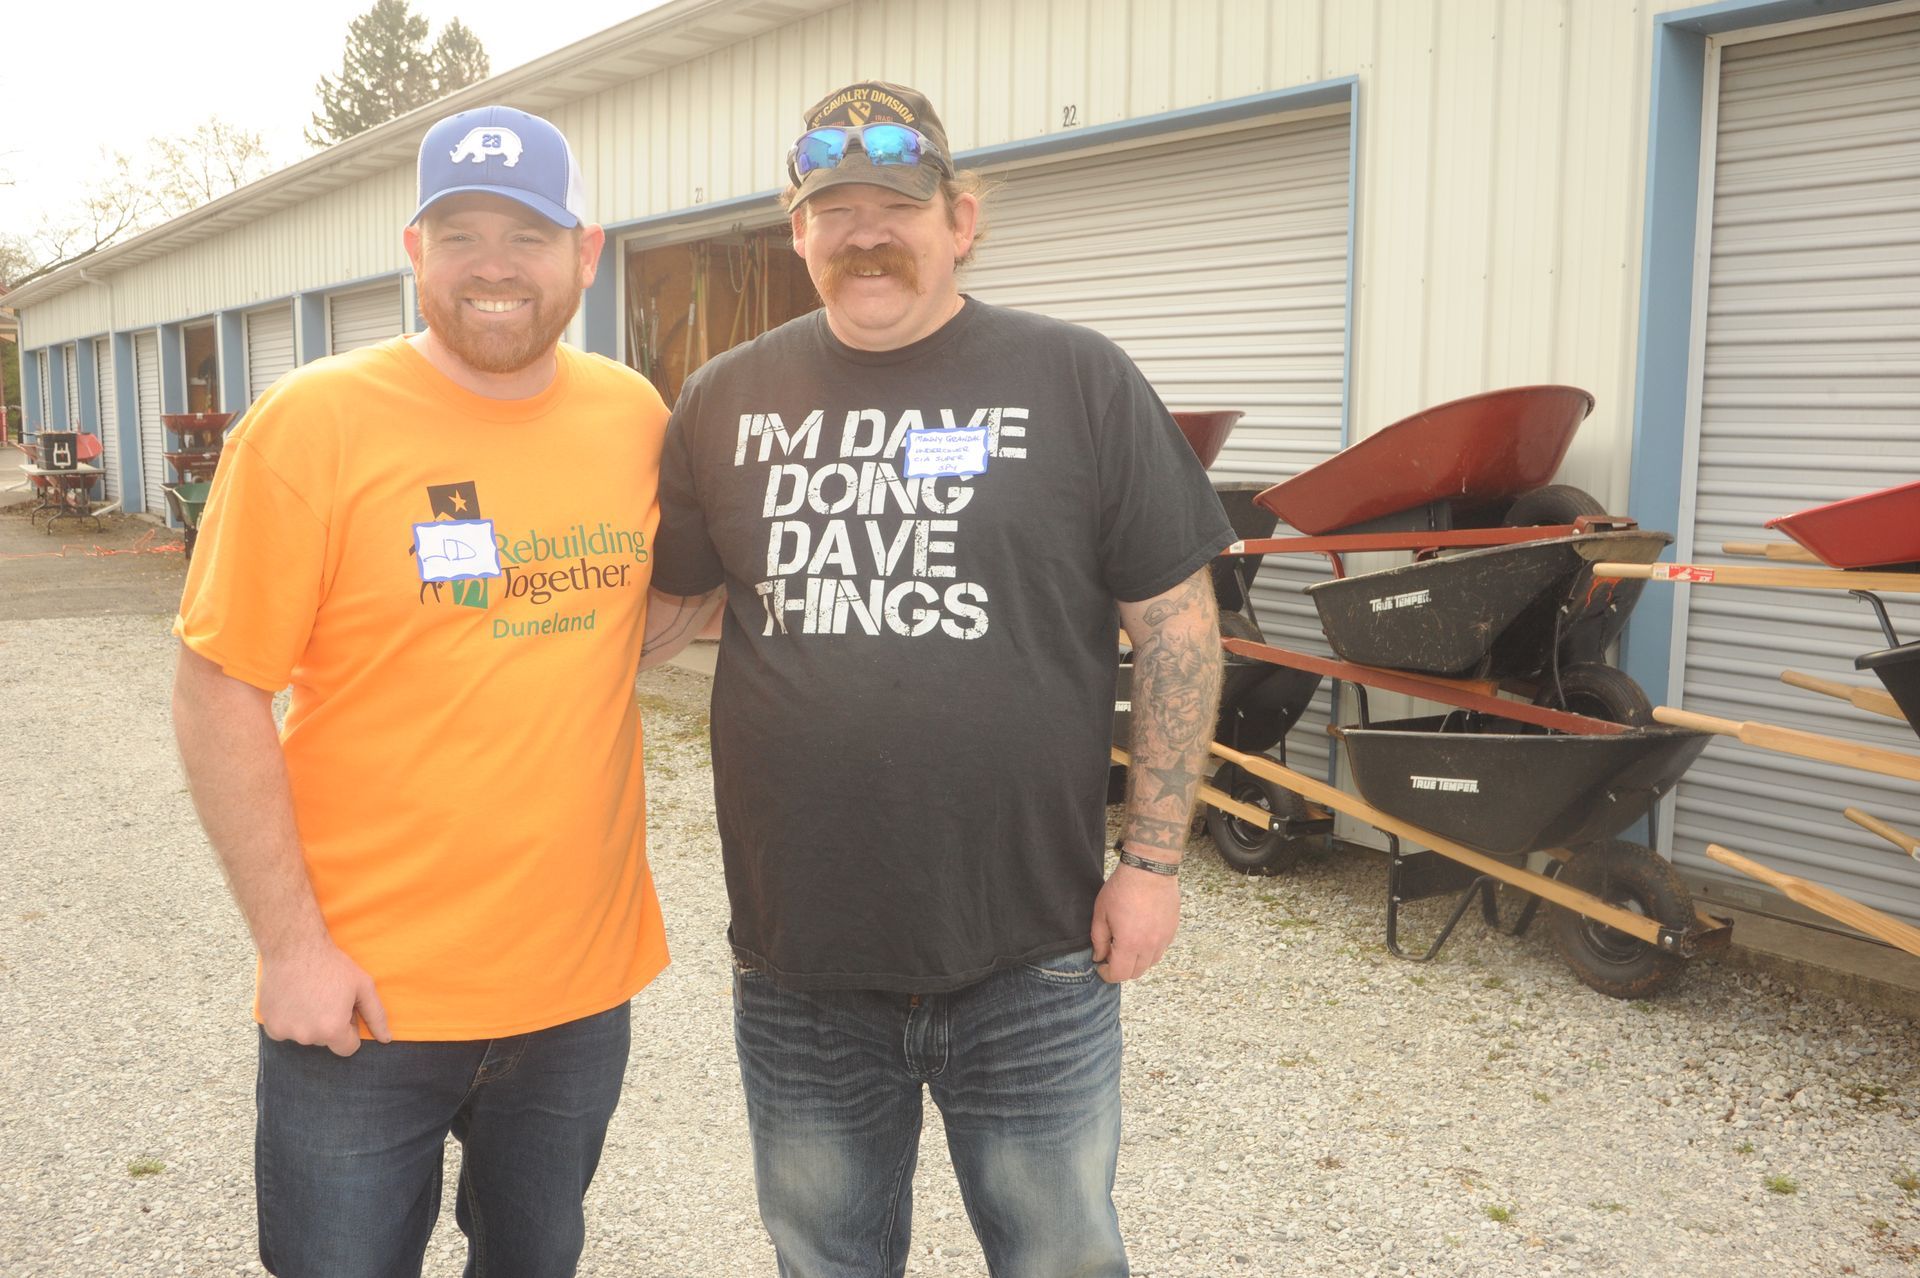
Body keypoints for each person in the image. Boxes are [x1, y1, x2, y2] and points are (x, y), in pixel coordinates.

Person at [649, 80, 1232, 1276]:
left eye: (898, 208)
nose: (866, 235)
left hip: (1033, 952)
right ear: (797, 231)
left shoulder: (1076, 379)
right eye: (835, 210)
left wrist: (1153, 864)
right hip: (800, 957)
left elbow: (1178, 630)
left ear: (961, 219)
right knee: (826, 1255)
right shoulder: (723, 399)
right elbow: (658, 614)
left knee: (1061, 1257)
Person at [172, 104, 688, 1278]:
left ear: (586, 253)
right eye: (460, 235)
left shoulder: (633, 416)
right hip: (363, 1003)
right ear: (414, 251)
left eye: (527, 235)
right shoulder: (313, 425)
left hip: (575, 997)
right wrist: (292, 950)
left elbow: (646, 605)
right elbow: (217, 691)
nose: (494, 267)